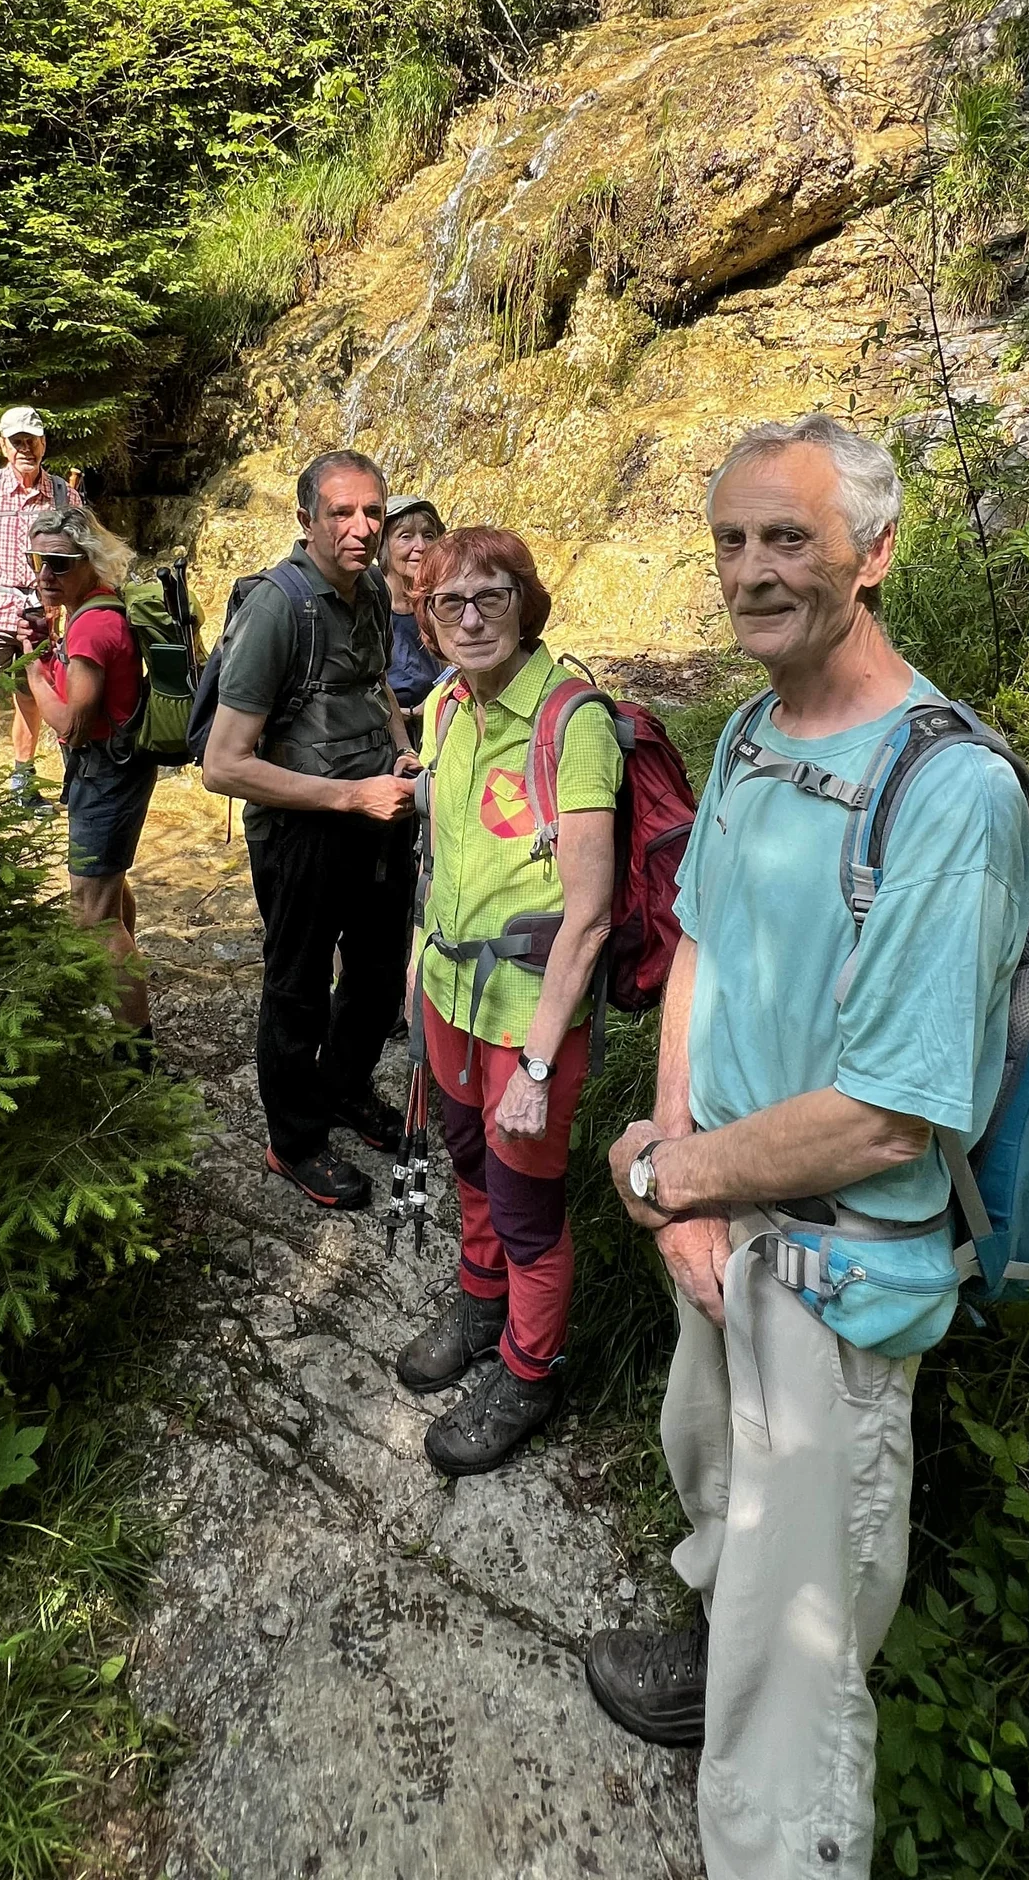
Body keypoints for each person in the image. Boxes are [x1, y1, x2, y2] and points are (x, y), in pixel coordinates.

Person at [586, 415, 1029, 1880]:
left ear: (875, 552)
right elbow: (696, 948)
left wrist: (669, 1181)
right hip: (722, 1220)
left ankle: (781, 1838)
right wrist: (680, 1163)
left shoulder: (952, 792)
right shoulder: (749, 732)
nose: (751, 570)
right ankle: (713, 1646)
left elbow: (890, 1113)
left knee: (808, 1616)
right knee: (717, 1471)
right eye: (729, 540)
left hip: (845, 1263)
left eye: (787, 538)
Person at [396, 526, 619, 1476]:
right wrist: (415, 977)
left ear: (526, 601)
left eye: (494, 596)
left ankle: (531, 1370)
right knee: (464, 1159)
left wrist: (535, 1063)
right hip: (448, 989)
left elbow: (592, 914)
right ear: (429, 619)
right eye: (452, 603)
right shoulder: (445, 705)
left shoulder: (573, 723)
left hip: (532, 1012)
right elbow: (439, 859)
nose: (474, 617)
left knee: (526, 1201)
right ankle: (481, 1305)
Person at [200, 449, 418, 1212]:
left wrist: (400, 747)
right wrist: (350, 798)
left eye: (373, 513)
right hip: (302, 834)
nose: (361, 528)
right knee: (297, 988)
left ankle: (343, 1092)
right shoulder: (276, 608)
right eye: (342, 513)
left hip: (377, 815)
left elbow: (375, 681)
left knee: (378, 973)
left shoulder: (370, 589)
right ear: (306, 520)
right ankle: (294, 1141)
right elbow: (223, 766)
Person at [23, 507, 157, 1037]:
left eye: (59, 563)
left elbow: (73, 724)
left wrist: (32, 671)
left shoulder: (93, 626)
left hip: (105, 772)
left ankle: (136, 1054)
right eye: (39, 561)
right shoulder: (95, 609)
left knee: (93, 916)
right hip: (116, 769)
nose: (45, 575)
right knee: (110, 891)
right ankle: (134, 1036)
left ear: (89, 561)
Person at [0, 405, 80, 798]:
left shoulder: (62, 493)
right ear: (3, 446)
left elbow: (77, 556)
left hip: (42, 617)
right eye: (17, 441)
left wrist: (72, 612)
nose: (26, 449)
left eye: (33, 441)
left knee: (32, 700)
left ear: (44, 444)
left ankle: (23, 783)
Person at [380, 494, 445, 743]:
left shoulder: (439, 601)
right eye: (405, 536)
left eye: (428, 535)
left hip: (435, 723)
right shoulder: (368, 603)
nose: (421, 546)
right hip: (383, 734)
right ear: (383, 545)